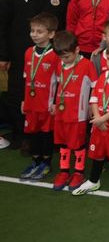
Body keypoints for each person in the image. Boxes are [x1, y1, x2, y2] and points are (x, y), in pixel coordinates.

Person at [0, 0, 70, 150]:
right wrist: (3, 55)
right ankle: (21, 135)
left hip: (51, 61)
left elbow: (65, 29)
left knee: (48, 97)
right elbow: (2, 25)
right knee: (18, 96)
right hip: (19, 58)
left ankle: (46, 138)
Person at [72, 41, 109, 199]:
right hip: (98, 124)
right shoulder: (103, 76)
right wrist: (98, 118)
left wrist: (102, 119)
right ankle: (93, 181)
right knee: (97, 153)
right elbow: (94, 99)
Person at [51, 31, 97, 191]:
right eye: (61, 57)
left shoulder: (87, 65)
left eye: (67, 57)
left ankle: (79, 172)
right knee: (63, 141)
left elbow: (95, 86)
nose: (64, 60)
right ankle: (64, 171)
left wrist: (92, 105)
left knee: (77, 143)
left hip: (78, 114)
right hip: (61, 112)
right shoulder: (59, 64)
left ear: (77, 50)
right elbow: (58, 84)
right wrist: (54, 103)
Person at [19, 13, 60, 181]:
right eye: (32, 30)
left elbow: (60, 81)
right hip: (31, 103)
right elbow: (25, 78)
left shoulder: (55, 55)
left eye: (39, 31)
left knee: (46, 135)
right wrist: (23, 100)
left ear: (51, 34)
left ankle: (46, 163)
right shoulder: (28, 52)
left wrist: (55, 102)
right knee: (33, 133)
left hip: (46, 105)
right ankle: (35, 162)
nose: (34, 34)